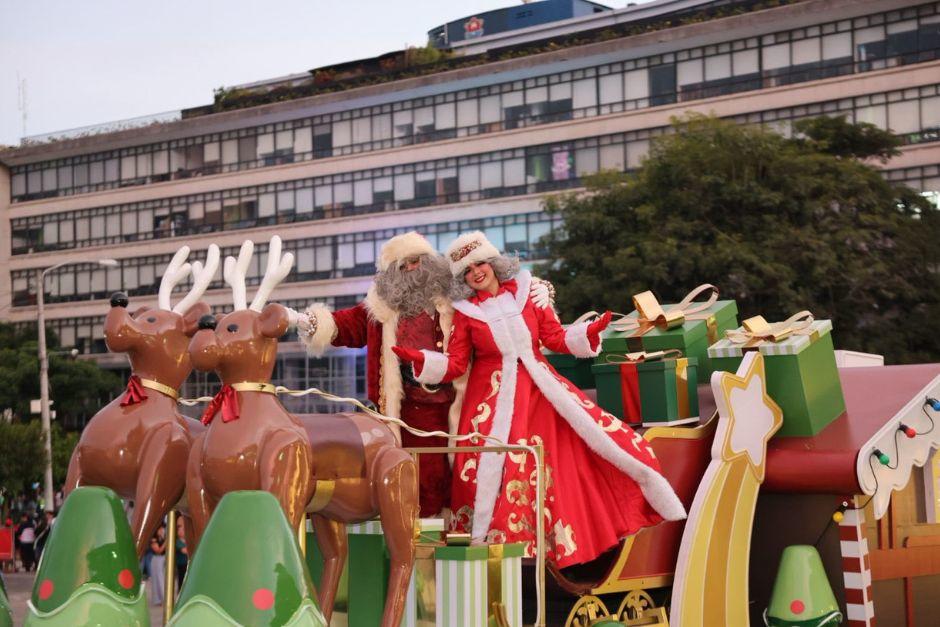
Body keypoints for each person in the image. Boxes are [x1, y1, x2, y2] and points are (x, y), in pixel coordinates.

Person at [393, 231, 686, 569]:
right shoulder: (466, 314)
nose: (476, 272)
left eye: (480, 263)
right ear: (462, 279)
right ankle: (496, 558)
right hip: (491, 402)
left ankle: (565, 551)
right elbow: (458, 363)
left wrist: (588, 334)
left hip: (541, 391)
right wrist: (423, 361)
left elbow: (554, 337)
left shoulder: (527, 294)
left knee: (570, 460)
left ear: (493, 262)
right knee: (494, 474)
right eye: (467, 270)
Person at [291, 231, 553, 518]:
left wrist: (541, 288)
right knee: (413, 477)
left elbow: (496, 290)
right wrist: (312, 322)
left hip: (459, 404)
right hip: (406, 413)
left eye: (416, 261)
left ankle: (464, 531)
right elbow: (348, 325)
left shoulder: (457, 299)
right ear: (392, 275)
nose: (412, 269)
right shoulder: (381, 311)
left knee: (467, 473)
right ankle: (414, 535)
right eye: (403, 266)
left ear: (430, 261)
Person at [149, 524, 167, 606]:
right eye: (160, 529)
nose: (162, 531)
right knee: (158, 579)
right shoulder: (154, 539)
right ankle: (160, 599)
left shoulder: (163, 538)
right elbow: (158, 550)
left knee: (163, 579)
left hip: (163, 559)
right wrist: (166, 543)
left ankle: (163, 598)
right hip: (156, 559)